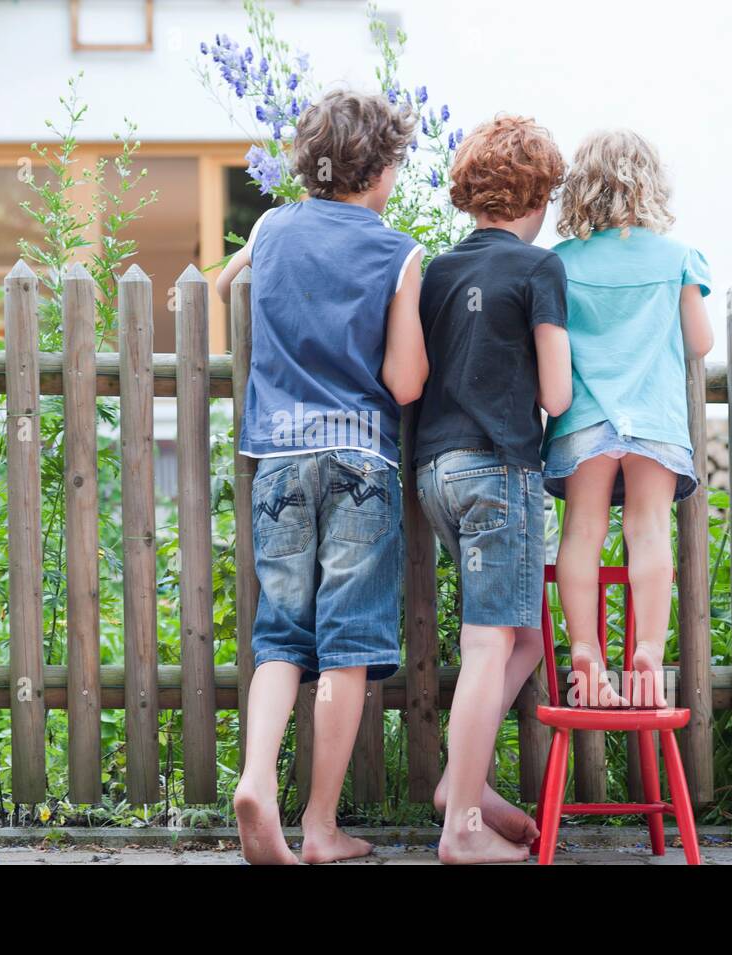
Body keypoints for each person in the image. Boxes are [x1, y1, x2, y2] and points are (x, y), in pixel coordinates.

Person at [216, 89, 427, 864]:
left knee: (280, 632)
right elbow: (405, 382)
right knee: (345, 646)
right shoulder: (396, 251)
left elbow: (221, 286)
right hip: (360, 459)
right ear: (379, 169)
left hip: (278, 454)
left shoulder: (272, 226)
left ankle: (255, 780)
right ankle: (320, 825)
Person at [412, 115, 571, 864]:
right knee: (488, 643)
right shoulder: (538, 271)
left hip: (435, 472)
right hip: (500, 467)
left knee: (526, 638)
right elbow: (559, 393)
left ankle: (459, 784)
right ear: (537, 198)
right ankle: (463, 829)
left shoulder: (439, 271)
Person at [544, 129, 713, 710]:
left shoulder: (559, 263)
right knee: (647, 530)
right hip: (655, 423)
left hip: (585, 421)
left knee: (582, 533)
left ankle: (586, 648)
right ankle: (645, 647)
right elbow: (699, 342)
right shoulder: (676, 258)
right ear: (650, 184)